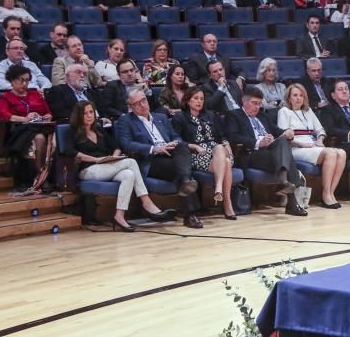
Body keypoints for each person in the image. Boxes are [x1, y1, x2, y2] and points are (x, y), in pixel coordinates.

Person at [69, 100, 176, 231]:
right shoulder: (72, 131)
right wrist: (95, 159)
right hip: (88, 169)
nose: (89, 115)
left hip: (107, 166)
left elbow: (116, 146)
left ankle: (119, 216)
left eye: (91, 112)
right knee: (131, 162)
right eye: (85, 113)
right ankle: (146, 202)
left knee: (129, 175)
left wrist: (114, 157)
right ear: (78, 115)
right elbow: (71, 152)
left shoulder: (98, 129)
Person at [115, 88, 203, 229]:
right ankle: (190, 213)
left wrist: (173, 143)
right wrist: (154, 149)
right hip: (151, 160)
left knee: (182, 147)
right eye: (137, 104)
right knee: (181, 170)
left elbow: (176, 136)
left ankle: (186, 183)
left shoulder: (160, 117)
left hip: (171, 153)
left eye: (143, 100)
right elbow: (126, 144)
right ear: (131, 107)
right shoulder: (125, 120)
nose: (142, 105)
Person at [222, 87, 308, 216]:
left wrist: (287, 133)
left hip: (271, 153)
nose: (257, 107)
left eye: (259, 104)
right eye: (254, 103)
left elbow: (278, 131)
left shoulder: (263, 116)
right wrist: (258, 142)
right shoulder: (234, 115)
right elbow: (233, 137)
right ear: (244, 102)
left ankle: (285, 182)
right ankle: (291, 199)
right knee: (287, 156)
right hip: (251, 154)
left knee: (283, 141)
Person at [277, 84, 347, 208]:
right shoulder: (284, 111)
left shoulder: (308, 111)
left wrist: (320, 139)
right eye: (295, 95)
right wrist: (302, 144)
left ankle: (331, 193)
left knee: (341, 153)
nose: (298, 98)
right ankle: (325, 195)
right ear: (289, 97)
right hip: (296, 148)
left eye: (301, 95)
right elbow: (283, 136)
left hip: (313, 146)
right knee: (330, 153)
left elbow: (320, 129)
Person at [172, 87, 237, 220]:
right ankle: (227, 203)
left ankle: (218, 189)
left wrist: (227, 144)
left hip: (217, 151)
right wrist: (194, 146)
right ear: (188, 100)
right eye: (195, 98)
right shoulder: (180, 117)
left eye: (201, 99)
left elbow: (221, 136)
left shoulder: (210, 115)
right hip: (197, 154)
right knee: (225, 162)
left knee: (220, 149)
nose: (199, 101)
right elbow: (177, 141)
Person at [0, 63, 56, 191]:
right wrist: (25, 119)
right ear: (12, 80)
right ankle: (41, 176)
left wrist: (46, 116)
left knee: (55, 137)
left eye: (27, 80)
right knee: (39, 138)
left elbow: (48, 112)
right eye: (21, 80)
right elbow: (5, 115)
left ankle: (56, 176)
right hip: (20, 131)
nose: (25, 84)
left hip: (41, 126)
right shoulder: (5, 97)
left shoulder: (35, 94)